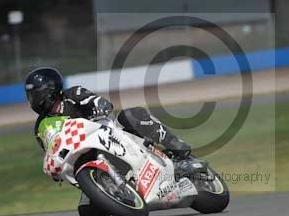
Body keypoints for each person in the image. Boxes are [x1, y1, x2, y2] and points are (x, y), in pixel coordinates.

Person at [24, 67, 191, 161]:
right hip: (86, 158)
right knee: (88, 213)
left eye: (37, 94)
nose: (34, 100)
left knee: (130, 116)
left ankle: (174, 144)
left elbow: (100, 102)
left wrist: (99, 108)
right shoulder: (41, 125)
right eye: (31, 96)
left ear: (52, 89)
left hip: (109, 135)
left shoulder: (73, 94)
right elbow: (50, 149)